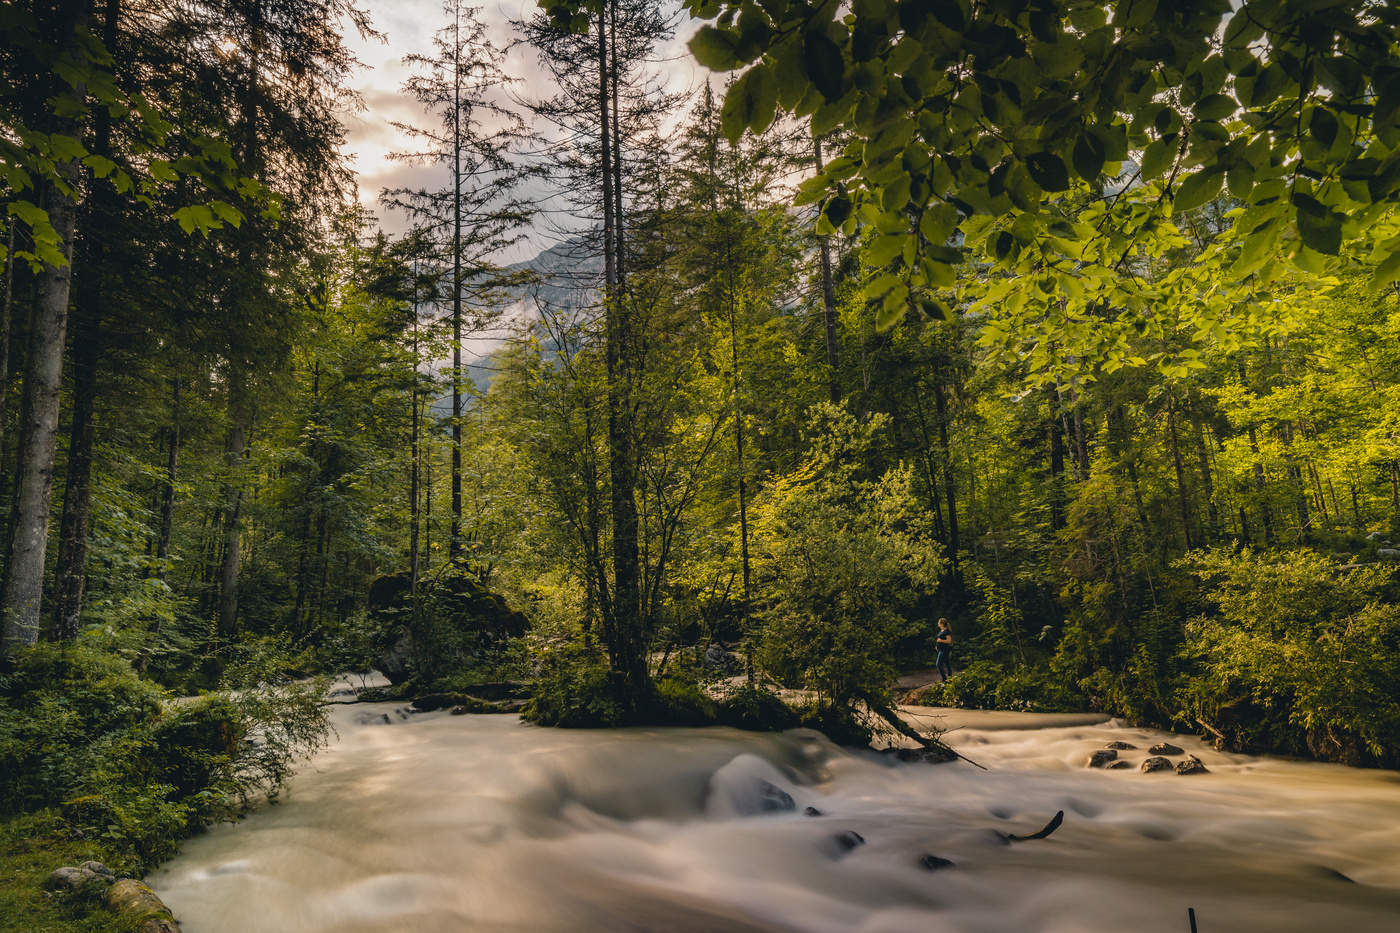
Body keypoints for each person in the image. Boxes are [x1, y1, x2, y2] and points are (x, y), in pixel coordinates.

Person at [935, 618, 953, 682]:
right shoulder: (941, 631)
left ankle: (944, 678)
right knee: (947, 663)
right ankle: (950, 677)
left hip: (944, 650)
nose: (938, 623)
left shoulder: (946, 631)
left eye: (938, 622)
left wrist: (940, 641)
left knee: (938, 664)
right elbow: (939, 640)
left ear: (942, 624)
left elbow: (949, 641)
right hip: (941, 649)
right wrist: (937, 646)